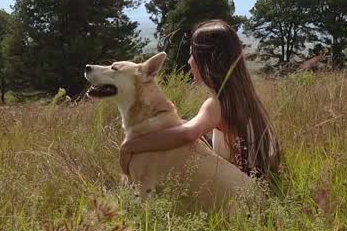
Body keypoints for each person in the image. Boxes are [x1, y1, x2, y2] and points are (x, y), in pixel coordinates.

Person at [119, 20, 282, 183]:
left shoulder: (216, 103)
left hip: (243, 188)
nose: (189, 61)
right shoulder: (242, 95)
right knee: (185, 122)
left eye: (193, 54)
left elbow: (187, 134)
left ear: (207, 60)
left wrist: (131, 145)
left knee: (184, 132)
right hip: (262, 182)